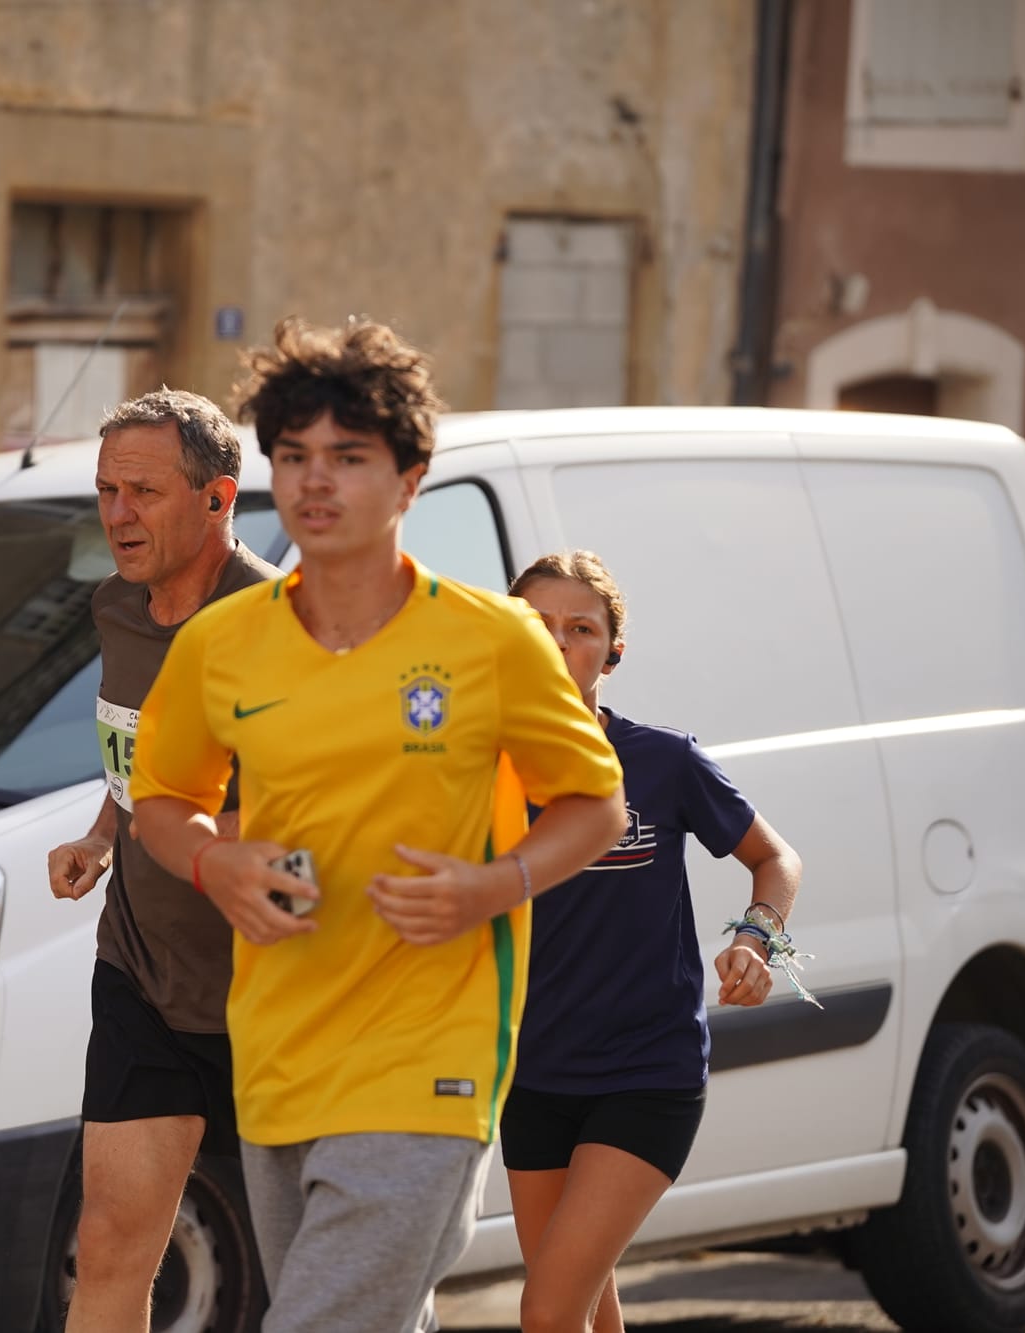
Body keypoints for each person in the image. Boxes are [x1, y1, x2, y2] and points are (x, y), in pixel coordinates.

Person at [127, 317, 628, 1333]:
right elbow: (161, 802)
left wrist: (492, 886)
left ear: (409, 479)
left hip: (429, 1060)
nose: (315, 481)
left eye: (348, 457)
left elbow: (595, 804)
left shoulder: (493, 639)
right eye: (294, 456)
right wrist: (217, 865)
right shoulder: (222, 644)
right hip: (279, 1051)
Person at [500, 549, 804, 1333]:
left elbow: (776, 859)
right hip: (530, 1073)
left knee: (547, 1310)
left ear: (612, 653)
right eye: (538, 624)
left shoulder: (663, 761)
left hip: (646, 1071)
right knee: (581, 1309)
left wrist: (756, 940)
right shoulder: (477, 769)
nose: (559, 641)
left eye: (581, 628)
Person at [44, 389, 280, 1333]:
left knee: (314, 1275)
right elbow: (142, 755)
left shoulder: (278, 625)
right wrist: (104, 835)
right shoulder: (116, 607)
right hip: (142, 973)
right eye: (106, 490)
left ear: (218, 497)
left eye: (142, 491)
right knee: (108, 1243)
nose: (117, 513)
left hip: (275, 990)